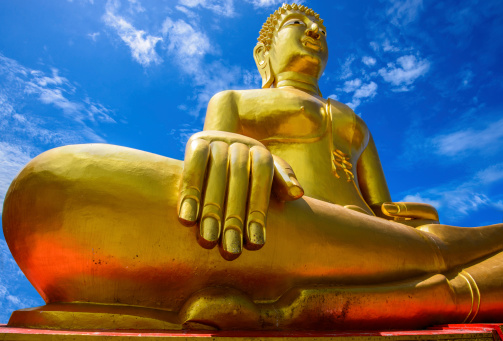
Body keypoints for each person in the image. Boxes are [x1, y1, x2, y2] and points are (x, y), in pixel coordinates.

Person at [3, 3, 503, 331]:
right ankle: (431, 283)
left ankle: (364, 294)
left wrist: (401, 215)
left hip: (379, 241)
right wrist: (230, 148)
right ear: (265, 52)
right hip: (280, 226)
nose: (313, 32)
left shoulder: (357, 123)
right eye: (299, 26)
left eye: (321, 30)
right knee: (55, 190)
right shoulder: (236, 101)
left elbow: (379, 205)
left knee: (437, 245)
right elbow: (214, 158)